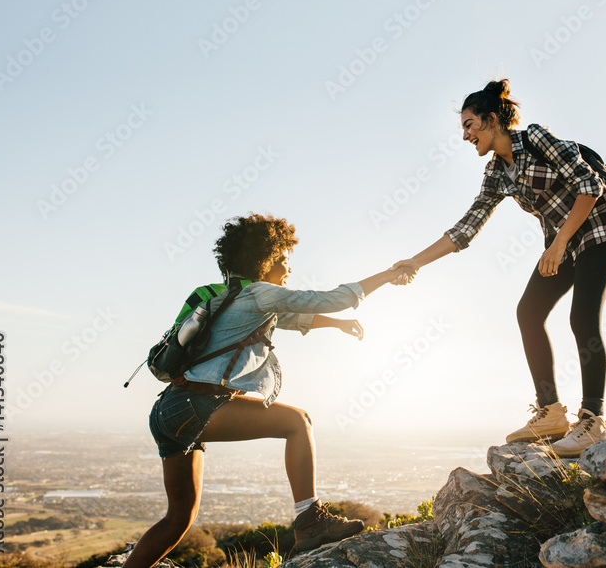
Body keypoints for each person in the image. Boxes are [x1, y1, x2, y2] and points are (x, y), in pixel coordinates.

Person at [123, 213, 414, 568]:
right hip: (197, 406)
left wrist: (337, 324)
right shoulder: (260, 294)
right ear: (266, 258)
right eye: (284, 259)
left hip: (168, 412)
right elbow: (329, 298)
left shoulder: (231, 298)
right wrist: (387, 274)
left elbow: (296, 318)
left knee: (178, 519)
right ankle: (309, 520)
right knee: (298, 422)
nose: (289, 267)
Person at [393, 80, 606, 457]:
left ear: (491, 120)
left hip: (598, 228)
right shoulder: (496, 174)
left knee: (582, 318)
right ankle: (550, 412)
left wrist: (560, 241)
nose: (465, 135)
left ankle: (592, 420)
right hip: (561, 244)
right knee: (528, 312)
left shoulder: (536, 138)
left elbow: (590, 185)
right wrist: (414, 262)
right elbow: (465, 229)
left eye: (469, 125)